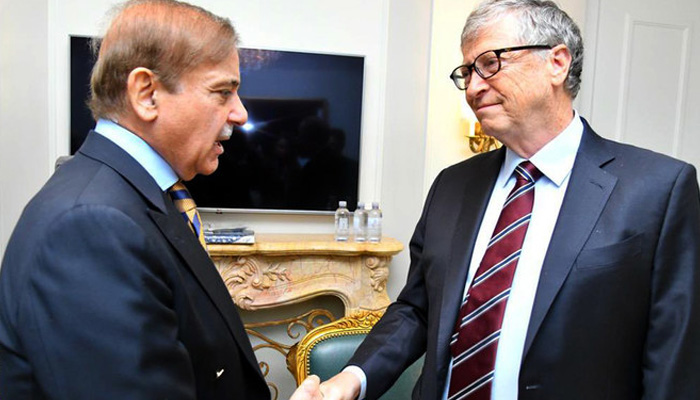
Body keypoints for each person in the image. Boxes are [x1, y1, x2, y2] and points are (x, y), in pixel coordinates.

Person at [316, 0, 700, 399]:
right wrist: (350, 381)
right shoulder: (453, 185)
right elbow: (417, 309)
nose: (474, 87)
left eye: (490, 63)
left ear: (557, 62)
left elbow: (673, 356)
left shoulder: (657, 188)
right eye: (466, 72)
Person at [0, 1, 320, 399]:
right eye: (223, 92)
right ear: (146, 94)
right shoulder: (92, 226)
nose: (240, 113)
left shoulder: (141, 197)